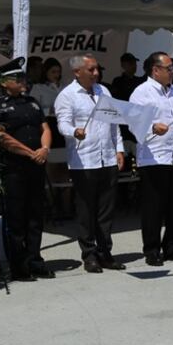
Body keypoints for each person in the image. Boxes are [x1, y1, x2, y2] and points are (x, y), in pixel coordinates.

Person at [54, 53, 126, 273]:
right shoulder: (67, 96)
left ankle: (105, 252)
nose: (96, 73)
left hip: (107, 158)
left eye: (97, 69)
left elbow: (114, 123)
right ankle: (89, 254)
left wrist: (119, 149)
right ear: (77, 72)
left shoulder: (103, 91)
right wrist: (74, 131)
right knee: (86, 211)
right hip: (84, 161)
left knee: (106, 210)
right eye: (91, 70)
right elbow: (62, 124)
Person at [0, 58, 54, 281]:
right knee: (17, 217)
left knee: (36, 215)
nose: (22, 82)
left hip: (36, 166)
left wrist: (45, 148)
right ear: (4, 83)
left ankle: (35, 259)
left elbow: (44, 126)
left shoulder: (32, 103)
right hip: (14, 168)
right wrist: (30, 152)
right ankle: (20, 265)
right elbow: (1, 136)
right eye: (17, 79)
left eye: (23, 78)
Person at [130, 52, 173, 266]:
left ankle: (172, 246)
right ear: (155, 70)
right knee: (154, 206)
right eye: (168, 68)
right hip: (154, 157)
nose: (172, 72)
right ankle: (152, 249)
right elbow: (133, 124)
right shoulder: (142, 92)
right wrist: (152, 127)